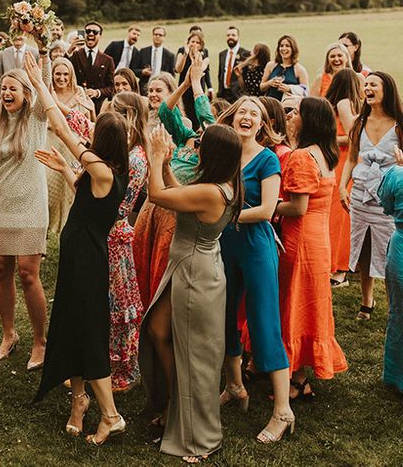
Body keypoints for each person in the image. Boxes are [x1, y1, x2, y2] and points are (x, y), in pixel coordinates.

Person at [31, 54, 129, 446]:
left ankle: (111, 415)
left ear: (101, 141)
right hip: (80, 253)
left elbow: (60, 124)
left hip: (87, 259)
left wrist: (40, 84)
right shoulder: (103, 174)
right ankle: (79, 400)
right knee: (72, 324)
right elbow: (88, 200)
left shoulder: (103, 169)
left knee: (87, 331)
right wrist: (67, 170)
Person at [140, 124, 242, 462]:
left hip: (196, 275)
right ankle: (174, 402)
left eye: (200, 144)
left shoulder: (213, 191)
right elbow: (178, 196)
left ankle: (200, 438)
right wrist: (168, 166)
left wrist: (154, 158)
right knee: (157, 330)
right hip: (188, 265)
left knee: (195, 357)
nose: (195, 146)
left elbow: (157, 196)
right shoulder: (215, 186)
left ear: (212, 154)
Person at [216, 97, 294, 444]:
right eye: (241, 111)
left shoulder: (267, 159)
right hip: (223, 247)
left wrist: (223, 216)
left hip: (256, 247)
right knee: (223, 318)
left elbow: (266, 210)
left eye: (254, 114)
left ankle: (282, 411)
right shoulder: (225, 153)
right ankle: (234, 387)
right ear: (232, 119)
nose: (246, 116)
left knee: (264, 325)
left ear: (262, 124)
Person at [0, 43, 50, 370]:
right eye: (4, 88)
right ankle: (9, 334)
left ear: (25, 93)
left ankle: (40, 340)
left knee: (28, 274)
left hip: (30, 202)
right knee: (1, 268)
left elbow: (44, 86)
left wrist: (44, 52)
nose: (7, 93)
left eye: (13, 88)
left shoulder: (36, 117)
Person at [274, 97, 348, 399]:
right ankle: (300, 373)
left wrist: (267, 207)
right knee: (309, 301)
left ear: (310, 120)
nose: (291, 116)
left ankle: (295, 377)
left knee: (294, 301)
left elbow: (298, 208)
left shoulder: (303, 156)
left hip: (301, 239)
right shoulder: (326, 153)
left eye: (297, 113)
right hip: (319, 238)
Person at [133, 53, 212, 310]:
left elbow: (206, 117)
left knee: (162, 269)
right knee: (143, 261)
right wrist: (186, 84)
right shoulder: (185, 136)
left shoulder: (213, 150)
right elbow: (167, 110)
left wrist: (198, 83)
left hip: (177, 215)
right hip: (154, 206)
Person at [340, 72, 402, 320]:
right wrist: (342, 186)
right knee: (363, 247)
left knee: (391, 252)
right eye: (365, 84)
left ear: (386, 89)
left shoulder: (399, 123)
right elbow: (352, 159)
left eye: (372, 84)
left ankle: (393, 304)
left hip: (389, 198)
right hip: (361, 195)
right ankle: (367, 301)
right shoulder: (358, 122)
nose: (367, 87)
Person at [104, 93, 149, 392]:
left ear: (130, 116)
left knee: (119, 301)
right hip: (113, 231)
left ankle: (122, 369)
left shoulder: (134, 158)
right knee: (112, 300)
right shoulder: (129, 151)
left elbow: (117, 205)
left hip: (115, 234)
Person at [46, 57, 94, 236]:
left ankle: (67, 223)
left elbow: (87, 118)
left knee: (71, 184)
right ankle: (49, 223)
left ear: (71, 74)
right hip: (50, 139)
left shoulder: (79, 91)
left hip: (73, 144)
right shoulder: (49, 92)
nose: (62, 78)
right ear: (52, 75)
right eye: (58, 74)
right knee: (49, 182)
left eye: (65, 74)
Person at [324, 68, 364, 287]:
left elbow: (351, 137)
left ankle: (340, 269)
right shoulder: (346, 102)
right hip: (342, 160)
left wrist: (328, 138)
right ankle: (342, 264)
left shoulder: (341, 102)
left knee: (339, 217)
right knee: (339, 216)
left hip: (342, 161)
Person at [379, 159, 403, 392]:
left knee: (398, 310)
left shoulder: (396, 174)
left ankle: (397, 376)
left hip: (400, 245)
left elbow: (386, 206)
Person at [69, 21, 115, 115]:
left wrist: (97, 92)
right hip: (76, 105)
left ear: (100, 36)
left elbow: (111, 87)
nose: (91, 33)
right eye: (88, 31)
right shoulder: (75, 55)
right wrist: (70, 50)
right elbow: (61, 69)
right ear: (84, 34)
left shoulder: (108, 60)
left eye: (95, 32)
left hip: (97, 106)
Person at [174, 31, 212, 130]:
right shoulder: (182, 51)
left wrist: (195, 56)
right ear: (188, 42)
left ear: (201, 44)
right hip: (184, 88)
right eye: (192, 41)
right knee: (184, 114)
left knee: (197, 114)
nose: (194, 44)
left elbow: (201, 68)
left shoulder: (204, 53)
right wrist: (186, 54)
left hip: (197, 88)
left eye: (197, 42)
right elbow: (178, 69)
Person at [260, 35, 309, 100]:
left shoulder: (300, 70)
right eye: (281, 46)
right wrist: (270, 83)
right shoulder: (270, 65)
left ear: (293, 49)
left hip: (289, 105)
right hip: (270, 104)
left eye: (287, 46)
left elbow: (305, 92)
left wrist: (289, 88)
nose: (284, 48)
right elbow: (261, 87)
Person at [0, 35, 39, 104]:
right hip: (8, 100)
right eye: (14, 33)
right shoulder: (3, 53)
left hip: (29, 100)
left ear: (26, 35)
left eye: (21, 34)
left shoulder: (35, 53)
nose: (18, 37)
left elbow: (38, 79)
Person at [136, 26, 175, 95]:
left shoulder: (169, 55)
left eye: (160, 35)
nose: (157, 36)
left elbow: (172, 75)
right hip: (144, 87)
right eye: (155, 34)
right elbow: (134, 69)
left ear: (164, 37)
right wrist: (142, 72)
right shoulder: (143, 51)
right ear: (152, 36)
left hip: (162, 89)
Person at [217, 26, 250, 102]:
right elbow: (220, 74)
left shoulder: (245, 54)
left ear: (238, 37)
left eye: (233, 35)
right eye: (228, 35)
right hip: (223, 95)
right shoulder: (222, 54)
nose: (230, 37)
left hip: (238, 95)